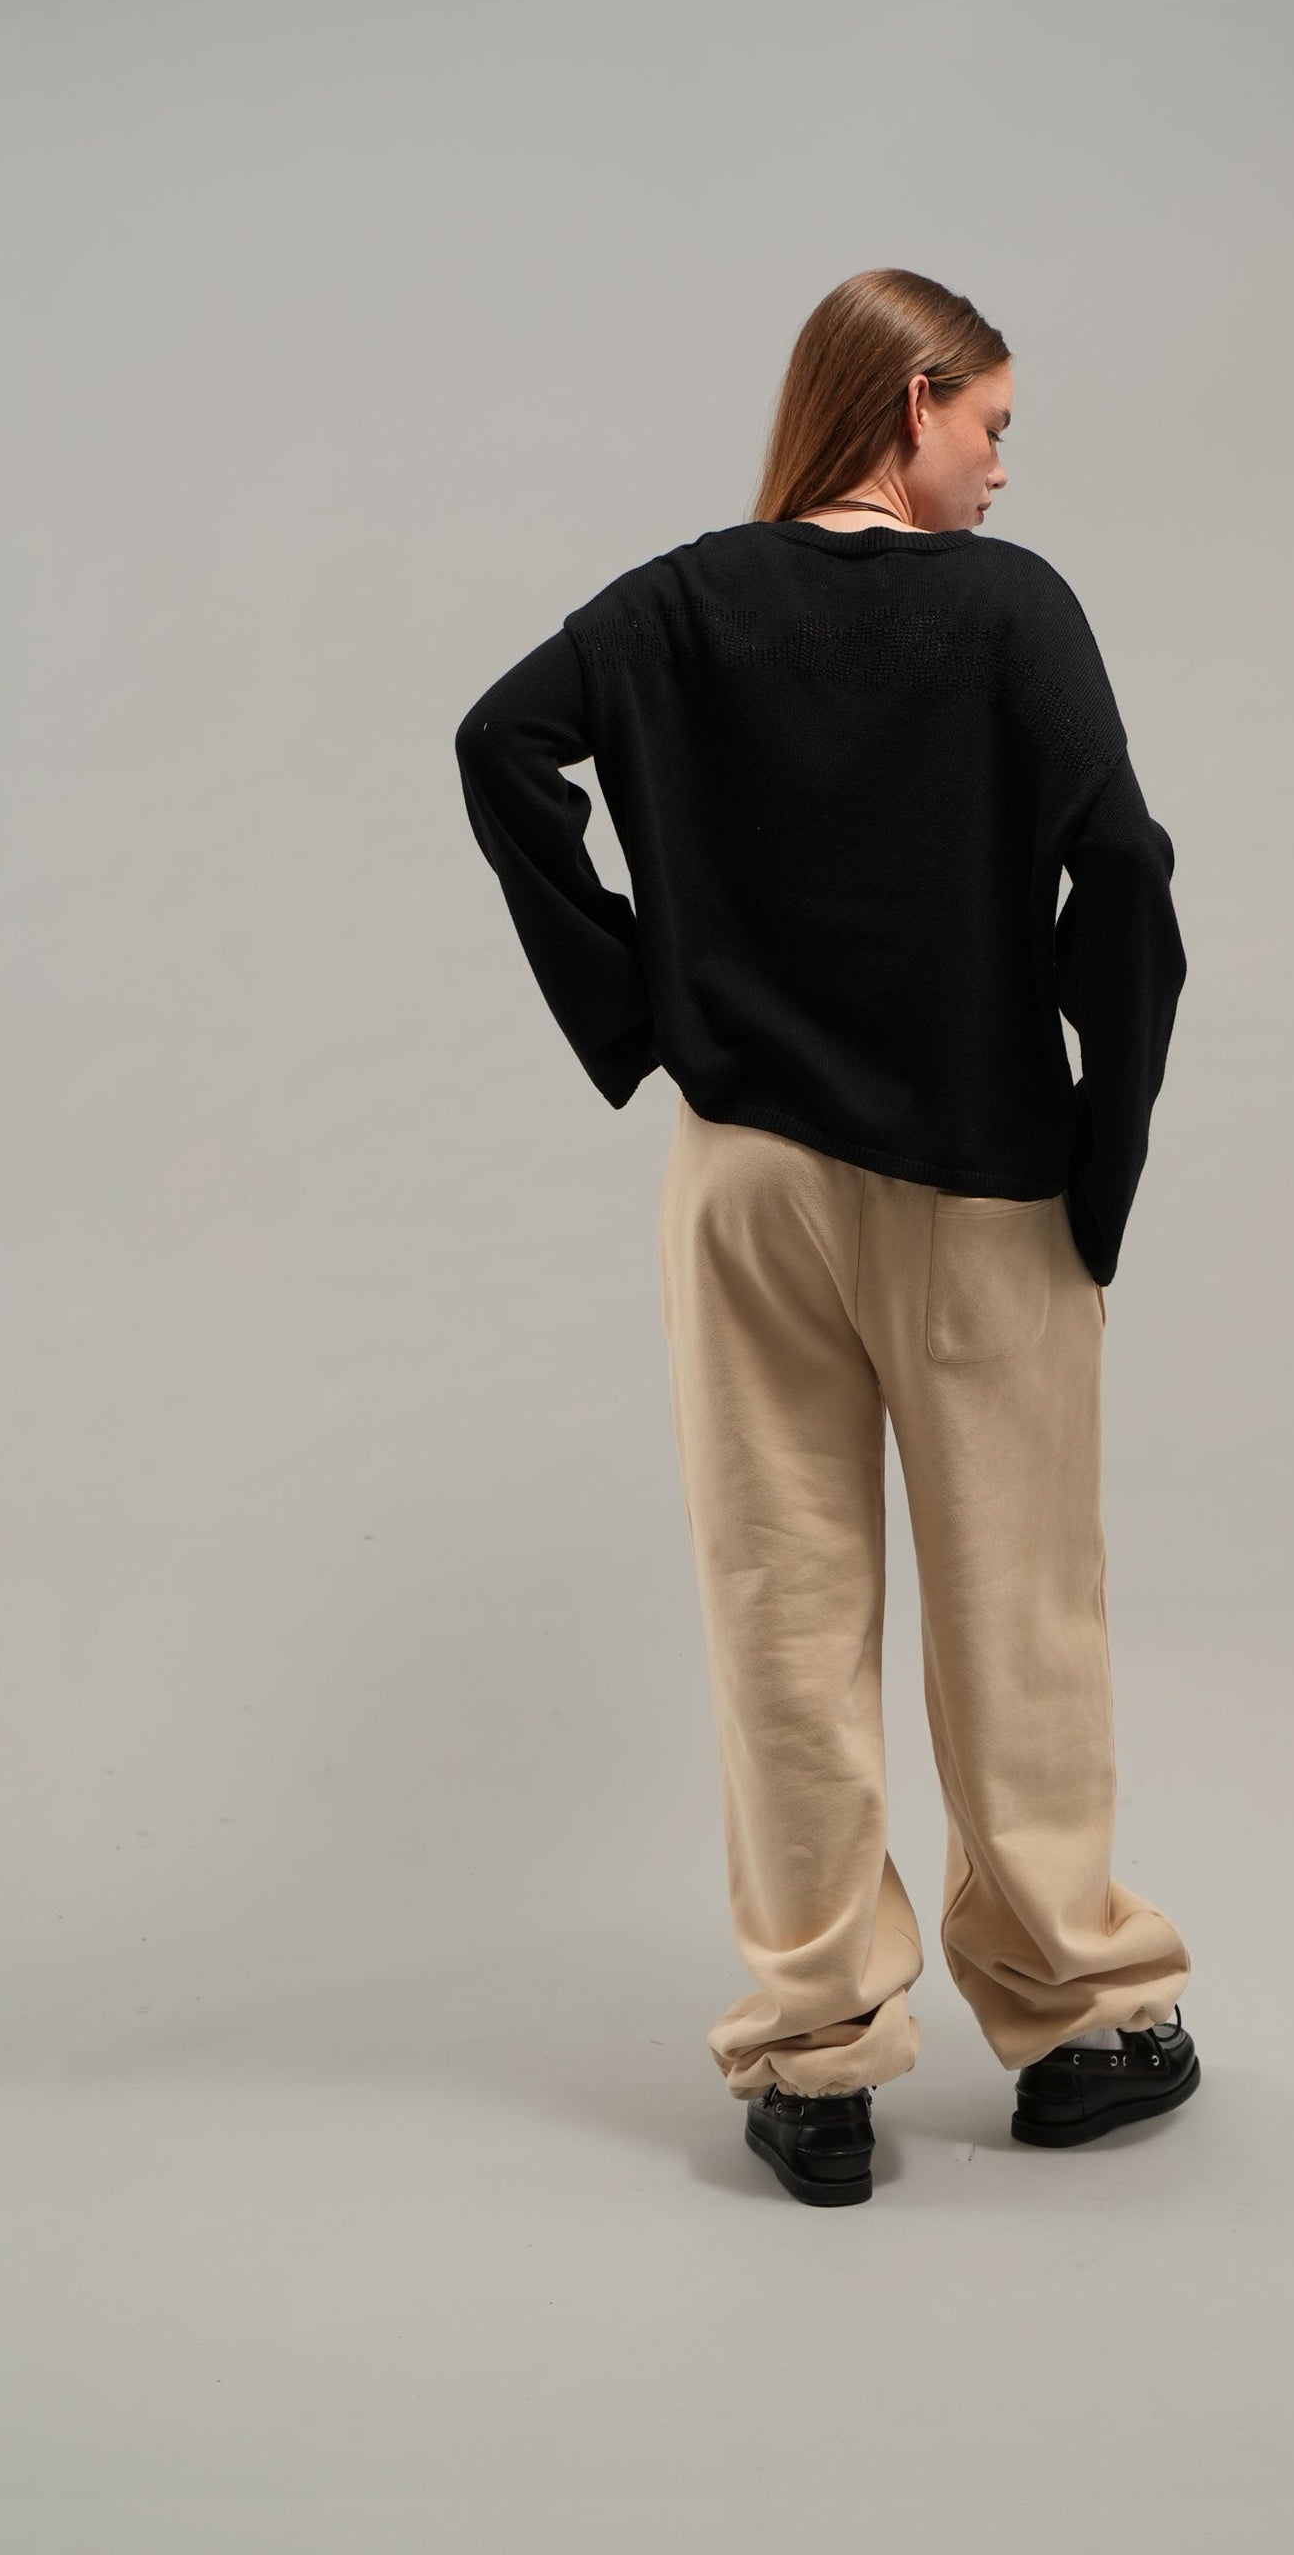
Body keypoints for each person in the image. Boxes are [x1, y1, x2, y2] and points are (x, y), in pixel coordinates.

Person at [453, 267, 1198, 2206]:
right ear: (911, 398)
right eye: (993, 423)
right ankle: (1076, 2020)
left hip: (745, 1178)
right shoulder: (1008, 610)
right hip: (978, 1179)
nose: (1004, 465)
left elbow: (499, 743)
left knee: (781, 1606)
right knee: (1015, 1608)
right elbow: (1121, 866)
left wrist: (644, 1005)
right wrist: (1102, 1145)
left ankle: (814, 2064)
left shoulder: (680, 603)